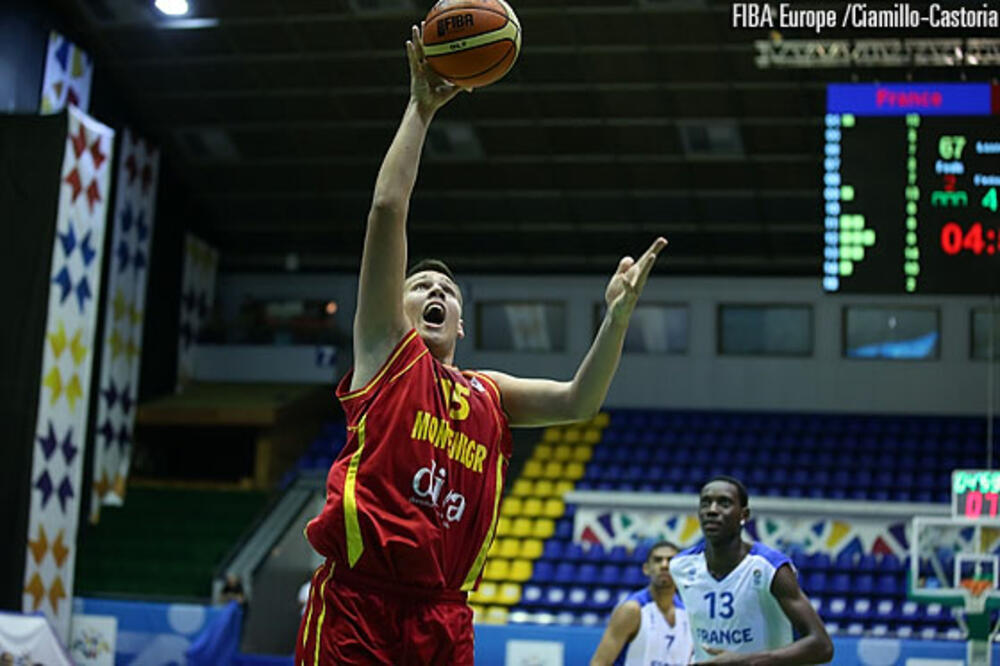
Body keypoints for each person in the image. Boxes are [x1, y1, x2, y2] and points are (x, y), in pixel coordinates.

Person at [294, 22, 668, 666]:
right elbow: (387, 210)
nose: (435, 289)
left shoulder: (487, 395)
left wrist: (618, 315)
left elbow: (580, 400)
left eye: (448, 288)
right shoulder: (388, 355)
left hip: (444, 616)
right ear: (399, 310)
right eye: (420, 285)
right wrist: (421, 107)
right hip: (361, 606)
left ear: (460, 323)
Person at [668, 476, 834, 664]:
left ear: (744, 515)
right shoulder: (681, 566)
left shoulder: (770, 567)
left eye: (724, 503)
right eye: (706, 503)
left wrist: (745, 662)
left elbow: (822, 646)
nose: (712, 510)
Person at [590, 541, 693, 666]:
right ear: (646, 569)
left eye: (670, 560)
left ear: (680, 569)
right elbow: (599, 663)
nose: (664, 565)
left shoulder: (688, 614)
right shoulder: (632, 610)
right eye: (658, 560)